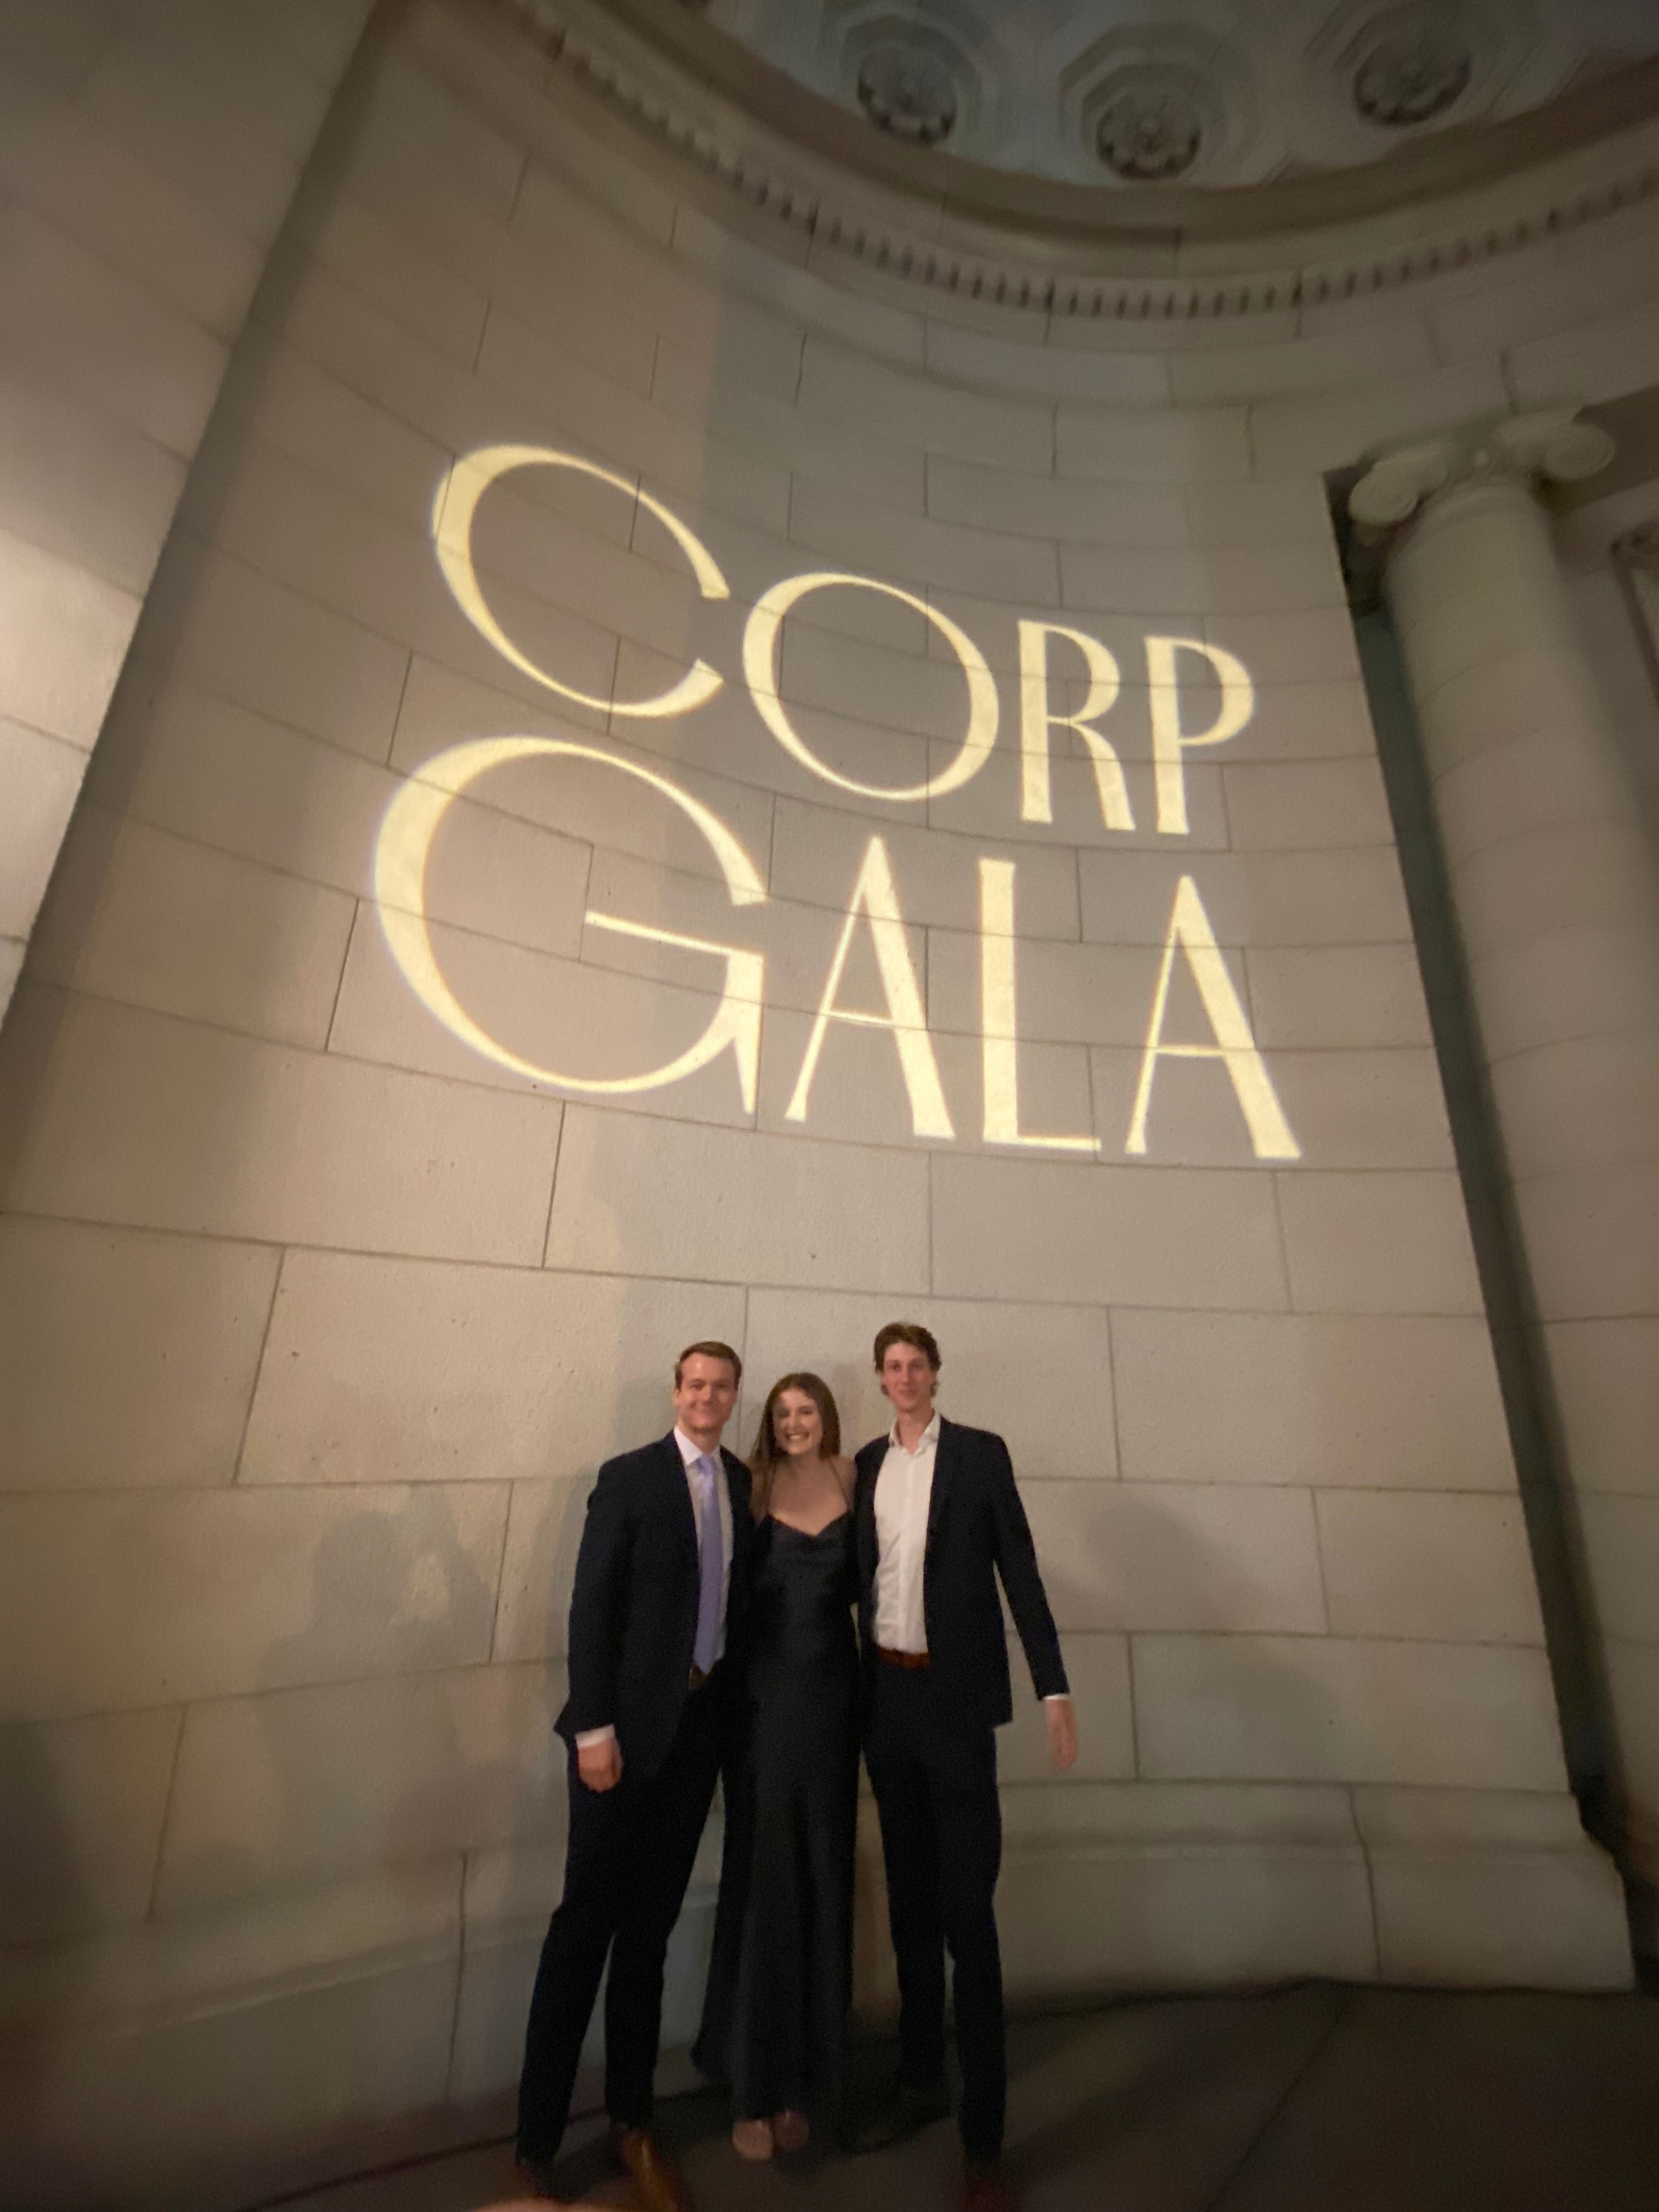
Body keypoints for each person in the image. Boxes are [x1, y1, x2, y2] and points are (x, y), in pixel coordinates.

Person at [515, 1342, 755, 2212]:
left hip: (694, 1744)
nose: (707, 1396)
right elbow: (590, 1607)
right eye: (695, 1384)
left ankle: (632, 2122)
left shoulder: (742, 1483)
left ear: (735, 1396)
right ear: (676, 1392)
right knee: (583, 1934)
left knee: (648, 1939)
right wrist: (593, 1728)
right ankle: (534, 2147)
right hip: (615, 1746)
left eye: (722, 1385)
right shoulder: (630, 1477)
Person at [853, 1323, 1077, 2212]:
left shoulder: (982, 1455)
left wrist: (1053, 1687)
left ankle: (984, 2144)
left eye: (918, 1365)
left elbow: (1019, 1570)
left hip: (955, 1714)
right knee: (909, 1905)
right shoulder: (866, 1463)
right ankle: (919, 2083)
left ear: (937, 1374)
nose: (906, 1377)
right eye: (893, 1367)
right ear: (881, 1379)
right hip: (887, 1708)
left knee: (966, 1919)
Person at [693, 1373, 860, 2163]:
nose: (796, 1422)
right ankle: (750, 2087)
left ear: (826, 1417)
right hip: (763, 1709)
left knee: (824, 1881)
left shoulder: (855, 1477)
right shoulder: (749, 1486)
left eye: (808, 1411)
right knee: (765, 1884)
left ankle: (808, 2083)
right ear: (771, 1422)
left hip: (835, 1708)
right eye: (784, 1413)